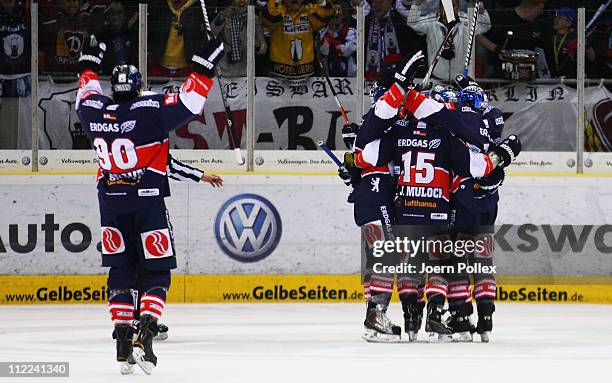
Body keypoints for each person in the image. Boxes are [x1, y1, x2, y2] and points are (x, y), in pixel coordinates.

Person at [75, 34, 224, 374]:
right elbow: (191, 101)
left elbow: (85, 88)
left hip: (111, 206)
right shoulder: (150, 111)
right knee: (156, 272)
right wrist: (204, 64)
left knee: (120, 272)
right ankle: (146, 332)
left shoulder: (93, 111)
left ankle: (122, 340)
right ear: (139, 86)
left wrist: (89, 62)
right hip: (148, 205)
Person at [391, 60, 521, 341]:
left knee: (449, 263)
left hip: (449, 201)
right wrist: (468, 87)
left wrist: (421, 93)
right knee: (482, 260)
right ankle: (484, 317)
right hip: (486, 202)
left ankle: (450, 317)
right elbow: (494, 124)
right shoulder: (491, 118)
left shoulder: (447, 125)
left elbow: (439, 115)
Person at [406, 0, 491, 83]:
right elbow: (412, 23)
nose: (449, 9)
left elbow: (485, 26)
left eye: (453, 6)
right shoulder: (432, 22)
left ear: (458, 7)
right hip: (436, 79)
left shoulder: (466, 21)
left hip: (460, 80)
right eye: (445, 6)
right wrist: (417, 3)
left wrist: (482, 10)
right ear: (440, 8)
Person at [260, 0, 335, 88]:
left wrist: (321, 2)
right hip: (278, 75)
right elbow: (269, 18)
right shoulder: (276, 11)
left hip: (307, 75)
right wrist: (279, 4)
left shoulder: (309, 11)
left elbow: (329, 14)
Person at [364, 0, 423, 80]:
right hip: (370, 77)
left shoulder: (401, 22)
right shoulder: (365, 22)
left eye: (381, 2)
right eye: (374, 2)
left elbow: (412, 48)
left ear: (390, 3)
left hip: (397, 75)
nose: (377, 5)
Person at [0, 0, 30, 149]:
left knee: (22, 119)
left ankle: (19, 151)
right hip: (2, 75)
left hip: (23, 74)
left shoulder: (26, 12)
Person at [211, 0, 268, 77]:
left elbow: (263, 49)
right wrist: (223, 16)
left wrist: (258, 45)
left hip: (245, 71)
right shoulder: (224, 15)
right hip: (224, 71)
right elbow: (211, 34)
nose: (242, 1)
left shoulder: (254, 18)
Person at [148, 0, 204, 77]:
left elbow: (202, 37)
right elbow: (150, 32)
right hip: (159, 65)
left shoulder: (198, 9)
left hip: (188, 67)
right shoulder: (160, 7)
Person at [39, 0, 90, 74]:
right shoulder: (55, 22)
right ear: (62, 3)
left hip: (79, 74)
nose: (71, 4)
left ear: (79, 3)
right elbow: (45, 46)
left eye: (74, 1)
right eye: (68, 1)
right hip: (57, 74)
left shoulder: (85, 22)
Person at [318, 1, 357, 77]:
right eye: (333, 10)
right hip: (329, 77)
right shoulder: (322, 32)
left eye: (339, 10)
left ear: (343, 15)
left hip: (350, 78)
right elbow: (324, 51)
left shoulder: (351, 32)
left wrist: (332, 38)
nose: (336, 13)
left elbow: (345, 52)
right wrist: (330, 31)